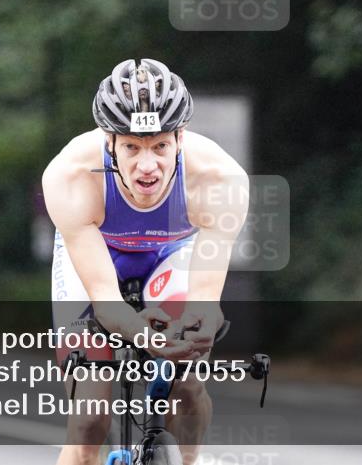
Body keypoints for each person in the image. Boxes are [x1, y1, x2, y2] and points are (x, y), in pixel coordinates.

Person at [43, 58, 249, 465]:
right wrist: (142, 333)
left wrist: (199, 325)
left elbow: (205, 301)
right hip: (98, 260)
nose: (147, 165)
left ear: (180, 138)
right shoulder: (70, 175)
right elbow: (105, 301)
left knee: (187, 384)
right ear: (109, 143)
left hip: (171, 256)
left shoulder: (219, 180)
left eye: (160, 146)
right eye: (132, 148)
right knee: (89, 420)